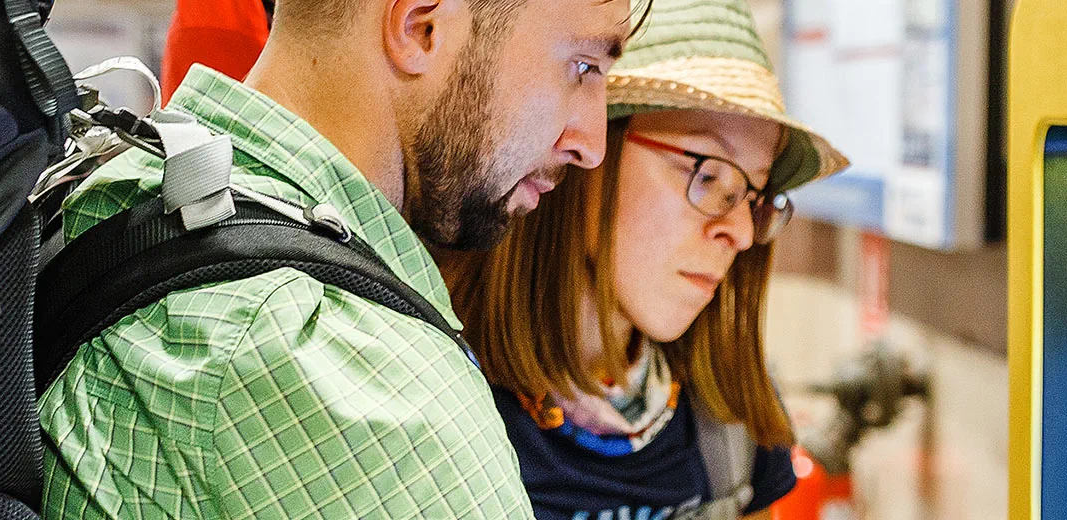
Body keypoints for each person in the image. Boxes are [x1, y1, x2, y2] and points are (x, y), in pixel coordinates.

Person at [39, 0, 638, 517]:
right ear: (420, 26)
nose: (590, 142)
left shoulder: (119, 187)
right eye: (581, 67)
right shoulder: (368, 384)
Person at [438, 0, 849, 516]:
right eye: (708, 174)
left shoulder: (729, 418)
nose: (742, 232)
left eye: (754, 195)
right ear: (588, 149)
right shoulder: (441, 408)